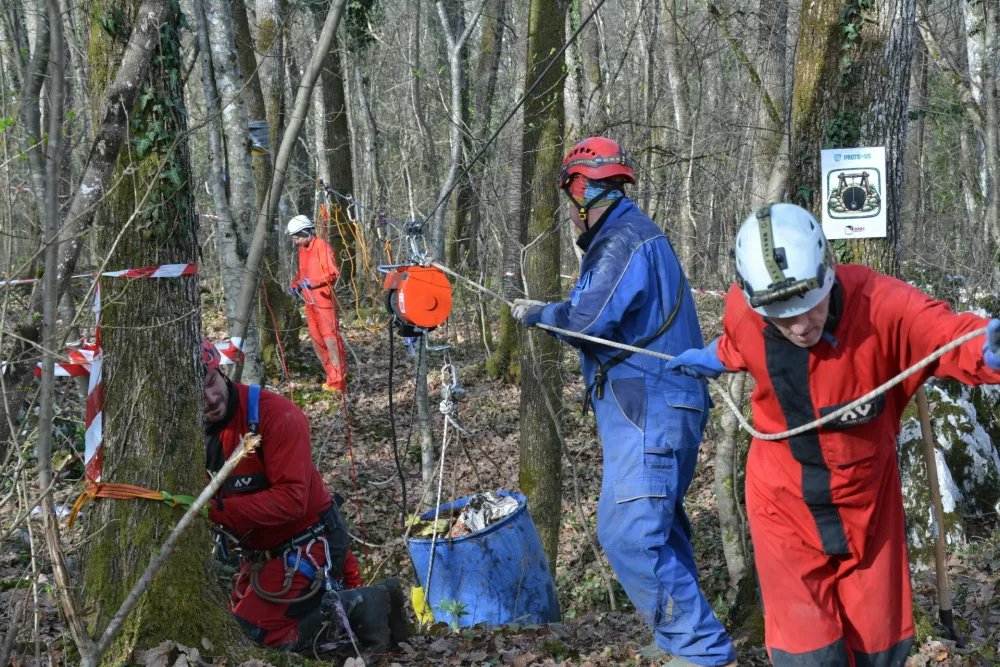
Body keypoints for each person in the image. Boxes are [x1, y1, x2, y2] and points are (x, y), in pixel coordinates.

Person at [664, 203, 1000, 666]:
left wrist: (986, 349)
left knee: (879, 649)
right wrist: (713, 356)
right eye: (782, 317)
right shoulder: (745, 310)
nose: (801, 326)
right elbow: (737, 343)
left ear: (828, 275)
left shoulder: (883, 305)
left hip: (868, 507)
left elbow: (948, 336)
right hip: (782, 508)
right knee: (809, 656)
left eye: (808, 306)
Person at [511, 137, 736, 667]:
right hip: (649, 401)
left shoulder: (624, 241)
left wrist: (543, 314)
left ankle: (701, 650)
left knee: (630, 531)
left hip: (650, 403)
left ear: (585, 188)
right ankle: (679, 638)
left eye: (571, 197)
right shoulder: (627, 239)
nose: (570, 211)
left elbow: (590, 319)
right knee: (659, 529)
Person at [201, 339, 406, 655]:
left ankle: (360, 612)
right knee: (232, 626)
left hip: (308, 545)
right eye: (198, 391)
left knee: (250, 637)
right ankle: (358, 609)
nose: (210, 398)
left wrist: (215, 510)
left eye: (212, 382)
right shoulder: (194, 436)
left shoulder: (276, 415)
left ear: (222, 372)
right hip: (261, 557)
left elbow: (292, 500)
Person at [287, 214, 346, 393]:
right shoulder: (302, 251)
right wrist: (295, 284)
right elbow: (301, 272)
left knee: (331, 341)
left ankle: (339, 382)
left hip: (323, 300)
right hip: (309, 301)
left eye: (297, 238)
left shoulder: (322, 246)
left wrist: (312, 283)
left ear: (306, 232)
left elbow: (333, 274)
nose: (296, 242)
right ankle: (330, 377)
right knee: (317, 341)